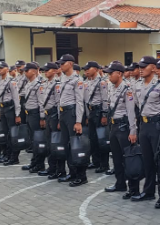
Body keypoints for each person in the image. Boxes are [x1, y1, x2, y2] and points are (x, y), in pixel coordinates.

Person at [133, 56, 160, 202]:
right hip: (144, 125)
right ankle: (148, 191)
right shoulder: (137, 85)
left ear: (154, 68)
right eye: (140, 67)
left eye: (144, 66)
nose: (141, 69)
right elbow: (137, 104)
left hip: (157, 126)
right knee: (147, 161)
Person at [103, 62, 138, 196]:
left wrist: (133, 131)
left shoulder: (127, 89)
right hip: (114, 126)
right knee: (117, 158)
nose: (109, 76)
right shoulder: (111, 87)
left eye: (111, 73)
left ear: (119, 74)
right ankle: (120, 183)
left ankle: (133, 188)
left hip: (124, 127)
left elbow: (131, 112)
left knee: (128, 159)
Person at [56, 54, 86, 183]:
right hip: (63, 114)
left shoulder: (77, 80)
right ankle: (72, 173)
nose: (60, 66)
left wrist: (78, 121)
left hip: (72, 114)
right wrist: (59, 118)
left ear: (70, 63)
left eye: (63, 63)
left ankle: (81, 176)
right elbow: (59, 100)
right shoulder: (62, 78)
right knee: (66, 145)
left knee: (76, 146)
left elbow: (80, 102)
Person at [82, 61, 110, 174]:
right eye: (85, 69)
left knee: (102, 139)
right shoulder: (87, 82)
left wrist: (104, 115)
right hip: (92, 111)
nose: (86, 71)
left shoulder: (102, 82)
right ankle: (96, 161)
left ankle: (104, 164)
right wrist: (88, 115)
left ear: (95, 69)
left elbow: (105, 99)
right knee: (92, 139)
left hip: (99, 112)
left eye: (88, 68)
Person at [37, 62, 63, 179]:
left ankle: (60, 169)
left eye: (48, 70)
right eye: (44, 70)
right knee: (49, 143)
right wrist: (42, 116)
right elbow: (42, 103)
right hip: (47, 115)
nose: (45, 72)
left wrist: (59, 120)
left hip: (54, 115)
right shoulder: (45, 83)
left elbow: (58, 103)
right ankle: (52, 168)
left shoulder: (57, 84)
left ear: (54, 71)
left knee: (56, 143)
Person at [0, 61, 22, 165]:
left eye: (1, 68)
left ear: (7, 69)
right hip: (3, 109)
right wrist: (0, 111)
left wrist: (17, 114)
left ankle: (14, 157)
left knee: (13, 134)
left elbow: (16, 99)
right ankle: (7, 154)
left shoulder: (12, 82)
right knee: (5, 134)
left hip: (11, 109)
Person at [21, 63, 45, 173]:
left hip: (36, 114)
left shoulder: (39, 85)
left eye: (27, 70)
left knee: (37, 139)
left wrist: (42, 118)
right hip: (29, 114)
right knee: (32, 140)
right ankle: (34, 162)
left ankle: (39, 164)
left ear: (34, 71)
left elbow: (41, 103)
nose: (25, 72)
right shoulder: (28, 84)